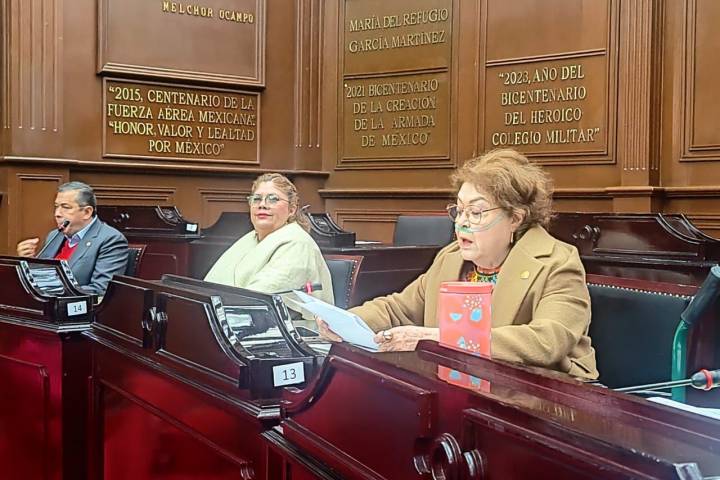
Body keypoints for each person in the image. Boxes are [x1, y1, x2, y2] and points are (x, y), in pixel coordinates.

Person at [318, 149, 598, 380]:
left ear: (515, 218)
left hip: (544, 396)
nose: (461, 222)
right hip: (462, 386)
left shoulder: (557, 262)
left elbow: (547, 342)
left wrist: (437, 339)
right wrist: (346, 321)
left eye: (475, 212)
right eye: (459, 210)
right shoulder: (451, 258)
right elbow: (398, 309)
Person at [204, 173, 334, 304]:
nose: (262, 205)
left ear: (291, 210)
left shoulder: (298, 244)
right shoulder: (249, 238)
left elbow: (259, 300)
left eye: (273, 199)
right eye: (256, 199)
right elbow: (209, 287)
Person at [16, 181, 129, 296]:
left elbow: (100, 289)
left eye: (65, 207)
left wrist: (54, 293)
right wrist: (29, 262)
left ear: (87, 212)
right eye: (56, 207)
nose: (57, 214)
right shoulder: (54, 235)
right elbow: (44, 278)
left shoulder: (110, 240)